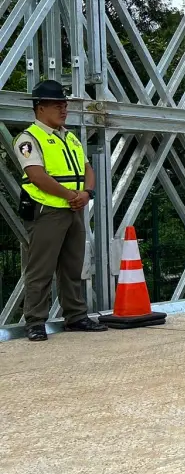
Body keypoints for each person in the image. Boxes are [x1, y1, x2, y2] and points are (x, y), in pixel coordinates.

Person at [14, 80, 108, 341]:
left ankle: (76, 316)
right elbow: (36, 176)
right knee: (40, 269)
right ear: (40, 107)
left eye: (64, 104)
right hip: (48, 211)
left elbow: (87, 168)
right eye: (58, 104)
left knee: (72, 266)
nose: (63, 109)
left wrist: (87, 193)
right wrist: (72, 196)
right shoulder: (29, 138)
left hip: (73, 209)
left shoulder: (70, 137)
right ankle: (35, 321)